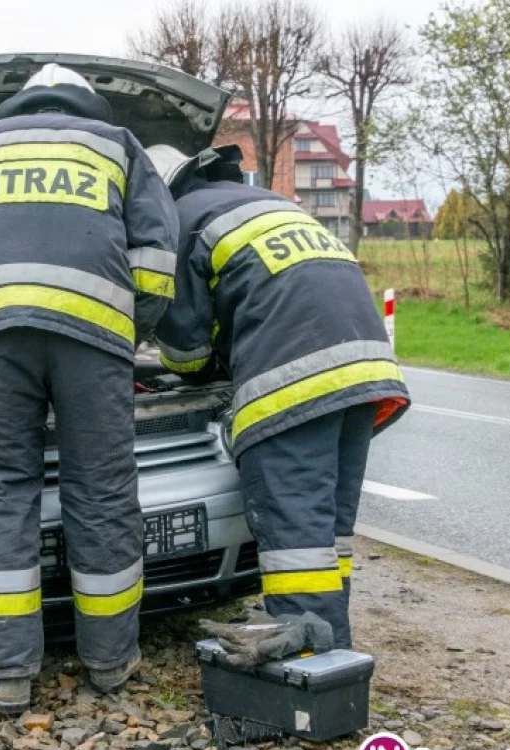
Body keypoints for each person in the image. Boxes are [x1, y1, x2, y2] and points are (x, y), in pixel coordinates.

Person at [0, 63, 180, 714]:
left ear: (21, 102)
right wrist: (126, 328)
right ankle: (111, 663)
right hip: (95, 341)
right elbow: (158, 261)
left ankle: (1, 673)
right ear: (86, 103)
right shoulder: (117, 144)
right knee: (104, 490)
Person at [145, 143, 410, 663]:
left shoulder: (178, 223)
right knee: (328, 532)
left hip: (295, 379)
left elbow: (188, 350)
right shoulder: (260, 201)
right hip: (366, 368)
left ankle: (306, 666)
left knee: (295, 537)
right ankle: (336, 651)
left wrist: (184, 369)